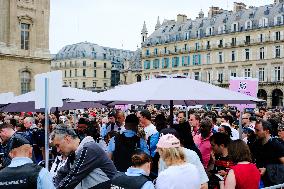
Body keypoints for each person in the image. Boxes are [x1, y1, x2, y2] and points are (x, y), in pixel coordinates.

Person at [51, 124, 117, 189]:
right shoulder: (75, 153)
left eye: (58, 145)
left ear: (67, 139)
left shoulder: (88, 149)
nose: (57, 150)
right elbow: (61, 174)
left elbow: (71, 179)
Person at [251, 119, 284, 186]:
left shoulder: (276, 145)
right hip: (259, 181)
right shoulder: (256, 144)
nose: (255, 132)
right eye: (255, 130)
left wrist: (268, 169)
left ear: (266, 131)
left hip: (273, 183)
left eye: (258, 130)